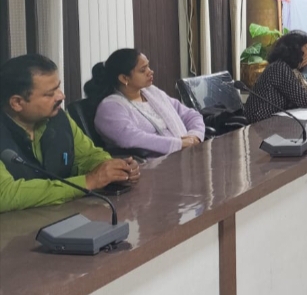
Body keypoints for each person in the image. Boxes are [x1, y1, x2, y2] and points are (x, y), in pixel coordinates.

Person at [0, 54, 140, 213]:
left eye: (58, 87)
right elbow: (5, 194)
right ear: (17, 103)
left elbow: (88, 156)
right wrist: (87, 182)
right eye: (50, 94)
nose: (61, 96)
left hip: (64, 216)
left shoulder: (59, 118)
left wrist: (114, 170)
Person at [85, 49, 206, 157]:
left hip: (186, 154)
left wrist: (194, 135)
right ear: (124, 78)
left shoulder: (152, 92)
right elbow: (131, 138)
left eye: (148, 66)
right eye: (143, 70)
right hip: (153, 166)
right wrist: (179, 144)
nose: (150, 71)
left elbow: (191, 115)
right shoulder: (111, 107)